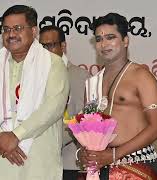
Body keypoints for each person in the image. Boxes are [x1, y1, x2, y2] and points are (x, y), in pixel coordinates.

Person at [0, 5, 69, 180]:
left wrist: (17, 135)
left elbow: (54, 106)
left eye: (18, 28)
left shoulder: (53, 64)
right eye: (6, 29)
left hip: (37, 159)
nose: (11, 34)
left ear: (33, 31)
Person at [79, 13, 157, 179]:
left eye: (111, 37)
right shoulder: (92, 83)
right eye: (98, 39)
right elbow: (86, 130)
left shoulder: (141, 76)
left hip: (135, 167)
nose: (104, 44)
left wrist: (114, 154)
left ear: (125, 41)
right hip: (100, 167)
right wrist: (83, 152)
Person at [39, 25, 90, 180]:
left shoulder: (80, 76)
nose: (46, 50)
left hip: (67, 163)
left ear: (63, 46)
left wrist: (52, 141)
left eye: (51, 45)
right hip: (37, 163)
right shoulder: (33, 78)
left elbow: (83, 118)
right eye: (42, 46)